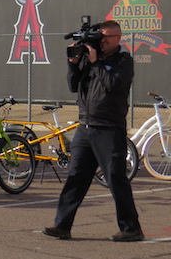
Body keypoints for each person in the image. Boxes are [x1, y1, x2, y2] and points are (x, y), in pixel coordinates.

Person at [43, 20, 143, 242]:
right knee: (76, 177)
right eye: (101, 37)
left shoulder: (123, 61)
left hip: (109, 128)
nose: (103, 41)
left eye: (107, 38)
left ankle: (131, 228)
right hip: (85, 127)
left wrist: (96, 63)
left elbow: (113, 85)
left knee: (115, 178)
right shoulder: (90, 60)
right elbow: (73, 86)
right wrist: (73, 63)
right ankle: (62, 225)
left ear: (118, 38)